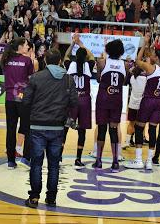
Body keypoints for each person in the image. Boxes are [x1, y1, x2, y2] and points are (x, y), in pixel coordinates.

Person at [22, 49, 78, 208]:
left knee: (36, 164)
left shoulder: (36, 78)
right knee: (54, 165)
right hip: (57, 128)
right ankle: (51, 198)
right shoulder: (68, 79)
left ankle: (34, 198)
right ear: (60, 61)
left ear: (45, 61)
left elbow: (26, 101)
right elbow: (74, 102)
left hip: (37, 126)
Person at [125, 45, 160, 170]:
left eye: (153, 55)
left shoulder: (150, 68)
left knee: (139, 128)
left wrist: (144, 46)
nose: (150, 56)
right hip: (159, 102)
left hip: (148, 100)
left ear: (156, 57)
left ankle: (138, 160)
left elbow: (137, 60)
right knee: (153, 130)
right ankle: (149, 161)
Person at [93, 39, 127, 172]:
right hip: (116, 99)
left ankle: (99, 160)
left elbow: (97, 78)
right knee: (114, 129)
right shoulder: (126, 65)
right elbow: (123, 81)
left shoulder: (102, 62)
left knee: (101, 129)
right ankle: (115, 162)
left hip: (103, 98)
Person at [1, 38, 34, 169]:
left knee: (11, 129)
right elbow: (31, 80)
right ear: (20, 46)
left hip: (9, 99)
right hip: (23, 98)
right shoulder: (27, 60)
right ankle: (26, 158)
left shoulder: (6, 59)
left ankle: (10, 161)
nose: (27, 47)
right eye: (26, 45)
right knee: (28, 128)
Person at [63, 35, 95, 169]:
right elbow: (92, 56)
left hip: (72, 100)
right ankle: (78, 158)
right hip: (85, 101)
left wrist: (72, 44)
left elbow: (66, 56)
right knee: (82, 131)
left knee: (64, 129)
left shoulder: (70, 65)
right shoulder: (89, 65)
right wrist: (81, 44)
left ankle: (58, 155)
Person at [123, 66, 146, 148]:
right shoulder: (145, 79)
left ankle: (127, 141)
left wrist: (130, 71)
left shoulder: (132, 78)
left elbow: (125, 81)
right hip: (142, 105)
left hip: (132, 104)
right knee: (140, 125)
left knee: (131, 124)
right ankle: (138, 142)